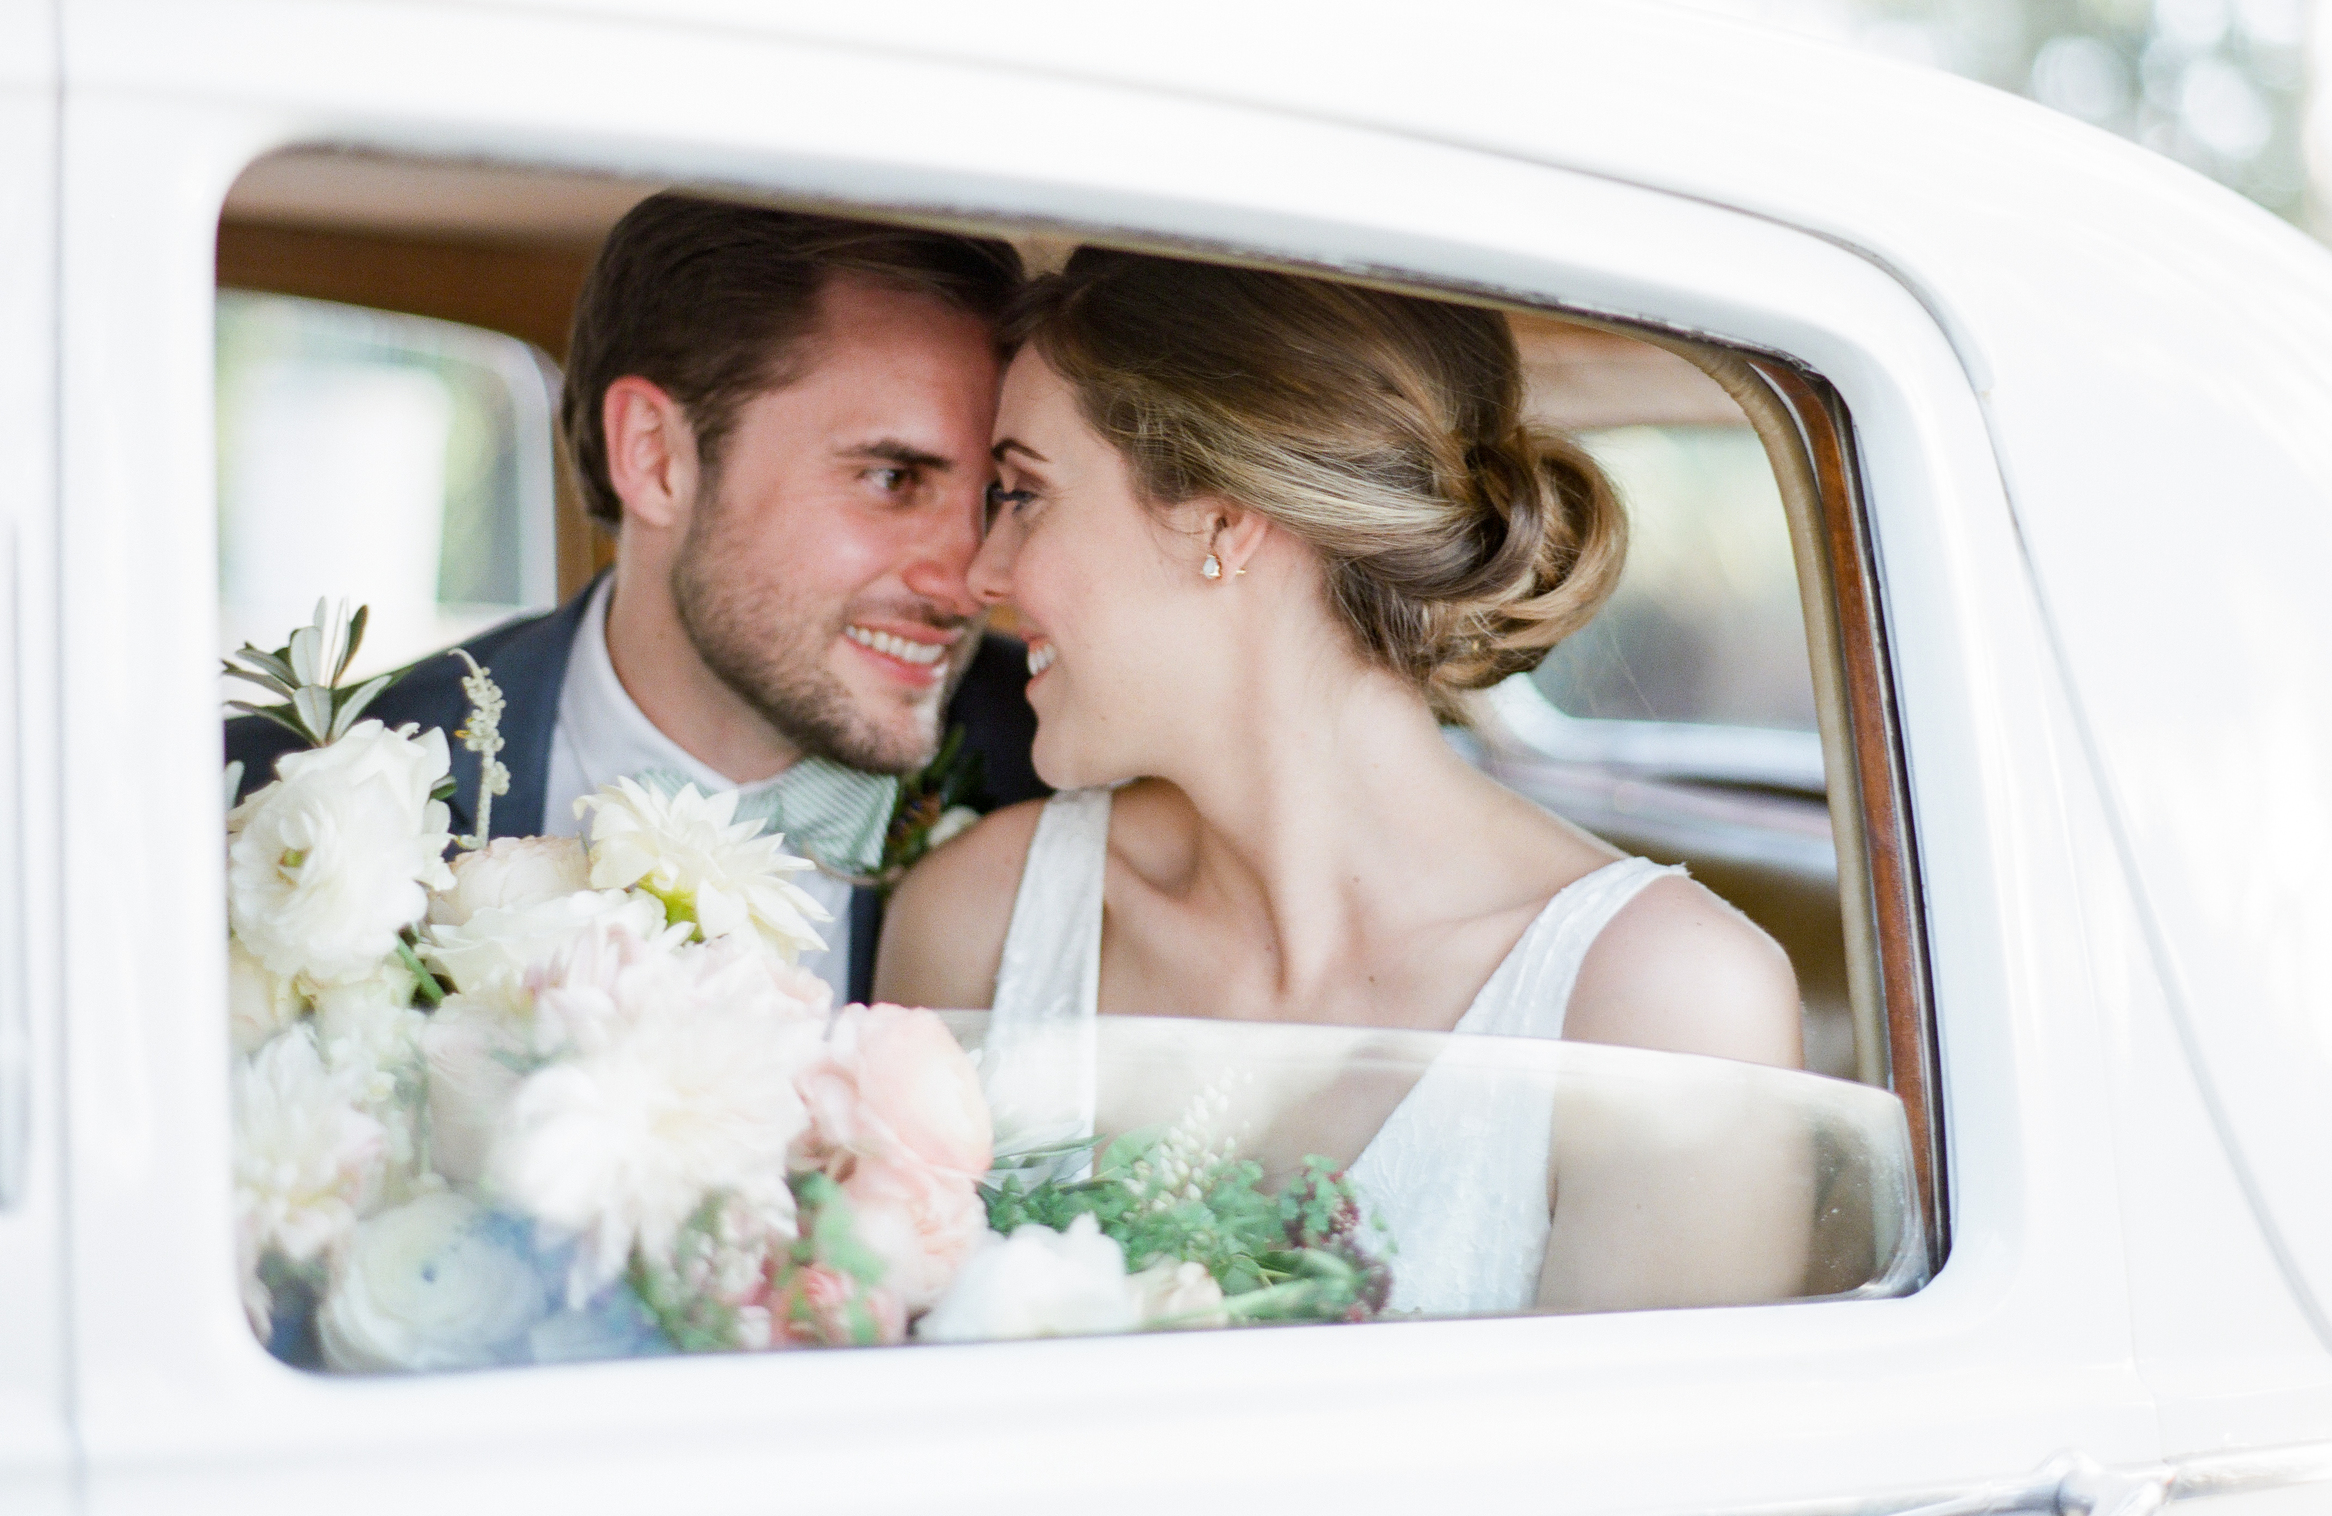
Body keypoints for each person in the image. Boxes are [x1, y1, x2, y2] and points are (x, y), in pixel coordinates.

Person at [878, 251, 1806, 1315]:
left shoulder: (1663, 1006)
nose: (979, 573)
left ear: (1221, 520)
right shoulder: (977, 920)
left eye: (1024, 493)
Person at [225, 192, 1048, 1000]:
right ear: (655, 458)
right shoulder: (266, 810)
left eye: (997, 498)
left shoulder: (1074, 811)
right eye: (891, 478)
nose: (973, 576)